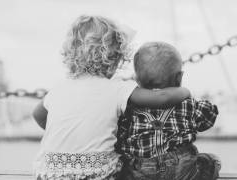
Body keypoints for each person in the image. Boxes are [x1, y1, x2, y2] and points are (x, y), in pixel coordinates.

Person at [33, 16, 190, 180]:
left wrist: (74, 136)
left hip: (48, 173)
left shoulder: (59, 88)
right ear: (114, 59)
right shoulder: (117, 88)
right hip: (95, 174)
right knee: (129, 165)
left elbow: (37, 115)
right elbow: (162, 98)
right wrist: (184, 91)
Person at [115, 42, 220, 180]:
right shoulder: (187, 104)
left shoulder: (129, 109)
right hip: (182, 168)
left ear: (137, 80)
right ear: (179, 78)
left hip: (141, 170)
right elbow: (208, 118)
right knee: (210, 162)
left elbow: (120, 137)